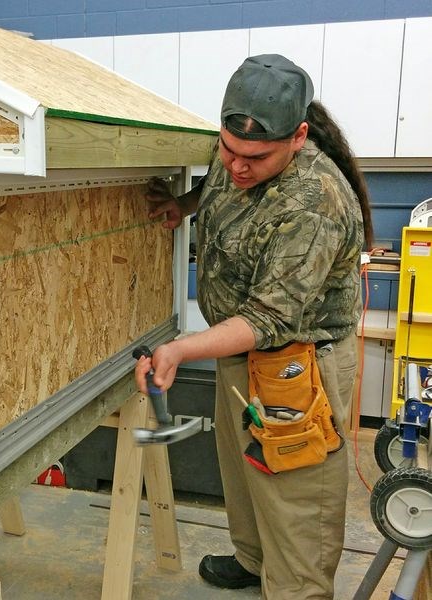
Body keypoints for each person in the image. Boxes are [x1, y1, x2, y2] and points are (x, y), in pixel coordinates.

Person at [135, 54, 373, 599]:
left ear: (298, 137)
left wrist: (180, 349)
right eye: (228, 149)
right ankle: (252, 558)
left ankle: (297, 588)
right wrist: (184, 205)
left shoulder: (315, 203)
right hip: (239, 352)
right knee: (244, 470)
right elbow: (223, 187)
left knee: (296, 491)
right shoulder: (240, 151)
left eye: (256, 157)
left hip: (298, 364)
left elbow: (269, 317)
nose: (237, 165)